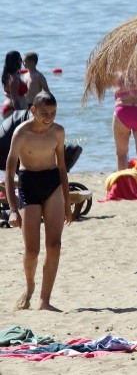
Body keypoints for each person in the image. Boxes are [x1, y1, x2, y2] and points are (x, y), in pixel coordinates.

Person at [4, 91, 72, 311]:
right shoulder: (21, 133)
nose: (49, 117)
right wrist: (13, 210)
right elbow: (9, 171)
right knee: (32, 250)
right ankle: (30, 287)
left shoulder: (58, 132)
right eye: (44, 113)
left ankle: (45, 300)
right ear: (33, 110)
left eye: (53, 113)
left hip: (52, 183)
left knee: (54, 245)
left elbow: (62, 167)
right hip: (28, 184)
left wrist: (68, 201)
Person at [2, 51, 28, 119]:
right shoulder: (14, 78)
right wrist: (20, 114)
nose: (21, 62)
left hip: (11, 109)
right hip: (13, 109)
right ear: (15, 61)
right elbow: (15, 99)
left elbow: (7, 91)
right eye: (20, 59)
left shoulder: (8, 75)